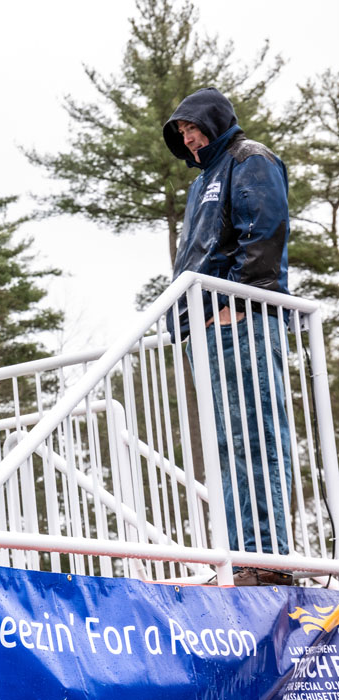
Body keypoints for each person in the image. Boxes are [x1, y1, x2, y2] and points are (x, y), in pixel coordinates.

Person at [163, 87, 292, 586]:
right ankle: (243, 558)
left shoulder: (250, 158)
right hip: (205, 327)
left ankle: (270, 559)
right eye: (182, 134)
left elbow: (264, 235)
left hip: (243, 320)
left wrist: (237, 304)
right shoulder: (201, 183)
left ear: (214, 121)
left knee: (256, 436)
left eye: (193, 128)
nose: (189, 139)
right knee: (226, 444)